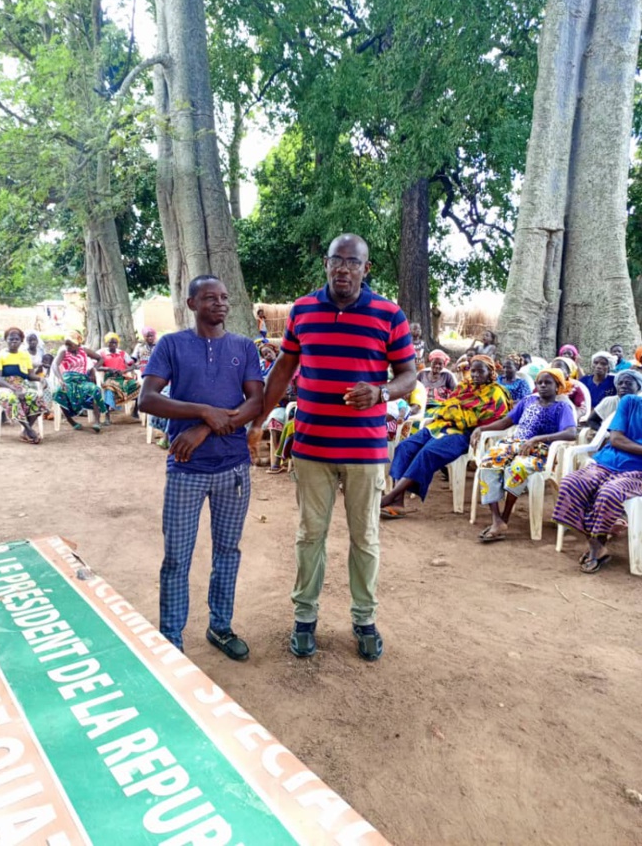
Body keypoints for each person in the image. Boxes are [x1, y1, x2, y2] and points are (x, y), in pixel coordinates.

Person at [248, 234, 416, 662]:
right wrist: (259, 418)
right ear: (326, 264)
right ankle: (305, 619)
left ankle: (364, 620)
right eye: (336, 261)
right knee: (310, 536)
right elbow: (284, 368)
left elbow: (409, 374)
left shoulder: (388, 314)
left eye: (352, 262)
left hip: (365, 450)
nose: (343, 269)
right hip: (311, 447)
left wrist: (380, 393)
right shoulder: (303, 310)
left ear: (366, 268)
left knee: (366, 538)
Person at [139, 275, 264, 659]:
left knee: (228, 551)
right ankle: (171, 641)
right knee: (177, 555)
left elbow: (255, 403)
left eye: (224, 297)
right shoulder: (172, 345)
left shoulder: (243, 347)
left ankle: (220, 627)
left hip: (234, 470)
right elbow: (147, 398)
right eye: (210, 297)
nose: (220, 303)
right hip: (186, 470)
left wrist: (202, 429)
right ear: (192, 304)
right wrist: (203, 412)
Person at [379, 355, 509, 518]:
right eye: (473, 371)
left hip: (464, 434)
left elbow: (499, 419)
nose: (475, 375)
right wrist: (448, 415)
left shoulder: (496, 394)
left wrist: (478, 427)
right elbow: (448, 406)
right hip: (441, 425)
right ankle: (398, 502)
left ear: (490, 372)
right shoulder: (464, 386)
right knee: (405, 447)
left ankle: (390, 497)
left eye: (480, 371)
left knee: (427, 453)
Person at [472, 368, 577, 542]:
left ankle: (504, 518)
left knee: (517, 467)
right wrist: (481, 428)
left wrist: (538, 439)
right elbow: (506, 422)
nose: (543, 386)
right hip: (513, 445)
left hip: (541, 451)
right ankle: (496, 519)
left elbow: (571, 433)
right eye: (539, 382)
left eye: (548, 383)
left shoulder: (562, 407)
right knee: (487, 462)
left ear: (558, 386)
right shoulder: (528, 401)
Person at [552, 393, 642, 573]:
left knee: (610, 493)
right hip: (607, 462)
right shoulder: (630, 402)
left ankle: (597, 546)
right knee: (572, 483)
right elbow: (616, 439)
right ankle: (597, 542)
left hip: (638, 471)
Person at [0, 327, 50, 443]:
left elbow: (30, 376)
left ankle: (25, 433)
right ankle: (30, 430)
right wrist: (13, 389)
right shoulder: (0, 356)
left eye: (16, 339)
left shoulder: (25, 356)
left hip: (21, 385)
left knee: (36, 397)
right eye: (11, 339)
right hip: (3, 387)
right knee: (14, 398)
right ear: (5, 340)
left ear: (21, 341)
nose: (13, 341)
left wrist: (41, 379)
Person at [52, 331, 106, 432]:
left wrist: (94, 369)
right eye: (66, 344)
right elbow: (55, 365)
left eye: (70, 344)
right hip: (68, 380)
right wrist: (60, 378)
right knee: (59, 392)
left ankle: (97, 421)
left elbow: (100, 359)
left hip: (82, 380)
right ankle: (71, 421)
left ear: (78, 344)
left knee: (95, 390)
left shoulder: (84, 350)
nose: (67, 346)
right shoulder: (64, 352)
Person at [97, 333, 141, 416]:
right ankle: (107, 417)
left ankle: (135, 411)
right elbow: (96, 367)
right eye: (111, 342)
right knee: (109, 389)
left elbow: (132, 366)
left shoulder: (122, 353)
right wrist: (107, 369)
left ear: (117, 344)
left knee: (138, 386)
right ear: (107, 343)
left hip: (122, 377)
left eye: (115, 343)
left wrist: (124, 370)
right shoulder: (101, 353)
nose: (113, 345)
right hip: (110, 378)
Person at [417, 349, 457, 416]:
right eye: (435, 363)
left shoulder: (447, 375)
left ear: (444, 365)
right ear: (431, 362)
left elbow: (456, 392)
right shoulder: (422, 374)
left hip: (440, 407)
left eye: (440, 364)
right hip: (421, 405)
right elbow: (413, 388)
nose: (437, 366)